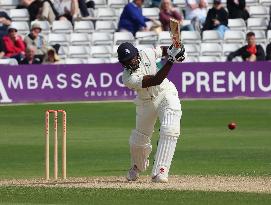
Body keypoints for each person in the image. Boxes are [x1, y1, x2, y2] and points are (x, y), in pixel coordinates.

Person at [117, 42, 186, 182]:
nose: (130, 62)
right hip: (145, 102)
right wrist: (172, 59)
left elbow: (162, 50)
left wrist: (175, 50)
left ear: (137, 54)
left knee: (170, 128)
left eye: (131, 58)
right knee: (138, 141)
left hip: (165, 93)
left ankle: (160, 171)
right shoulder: (127, 78)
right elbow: (155, 80)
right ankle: (138, 166)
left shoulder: (147, 52)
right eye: (126, 61)